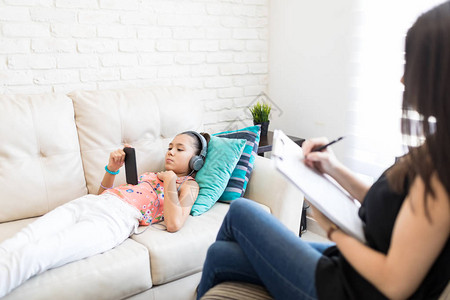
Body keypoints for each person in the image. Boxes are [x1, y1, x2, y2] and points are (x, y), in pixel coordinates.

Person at [196, 2, 450, 300]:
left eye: (412, 65)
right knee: (221, 254)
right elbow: (392, 205)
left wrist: (332, 229)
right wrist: (332, 167)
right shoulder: (438, 147)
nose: (404, 79)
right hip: (353, 273)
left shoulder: (441, 172)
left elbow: (395, 284)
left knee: (240, 209)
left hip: (349, 291)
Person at [0, 131, 210, 297]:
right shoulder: (153, 174)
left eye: (179, 149)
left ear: (196, 161)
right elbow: (103, 194)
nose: (170, 152)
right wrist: (111, 169)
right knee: (22, 239)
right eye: (170, 147)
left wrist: (171, 181)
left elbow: (174, 223)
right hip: (90, 203)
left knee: (42, 251)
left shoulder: (188, 185)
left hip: (115, 220)